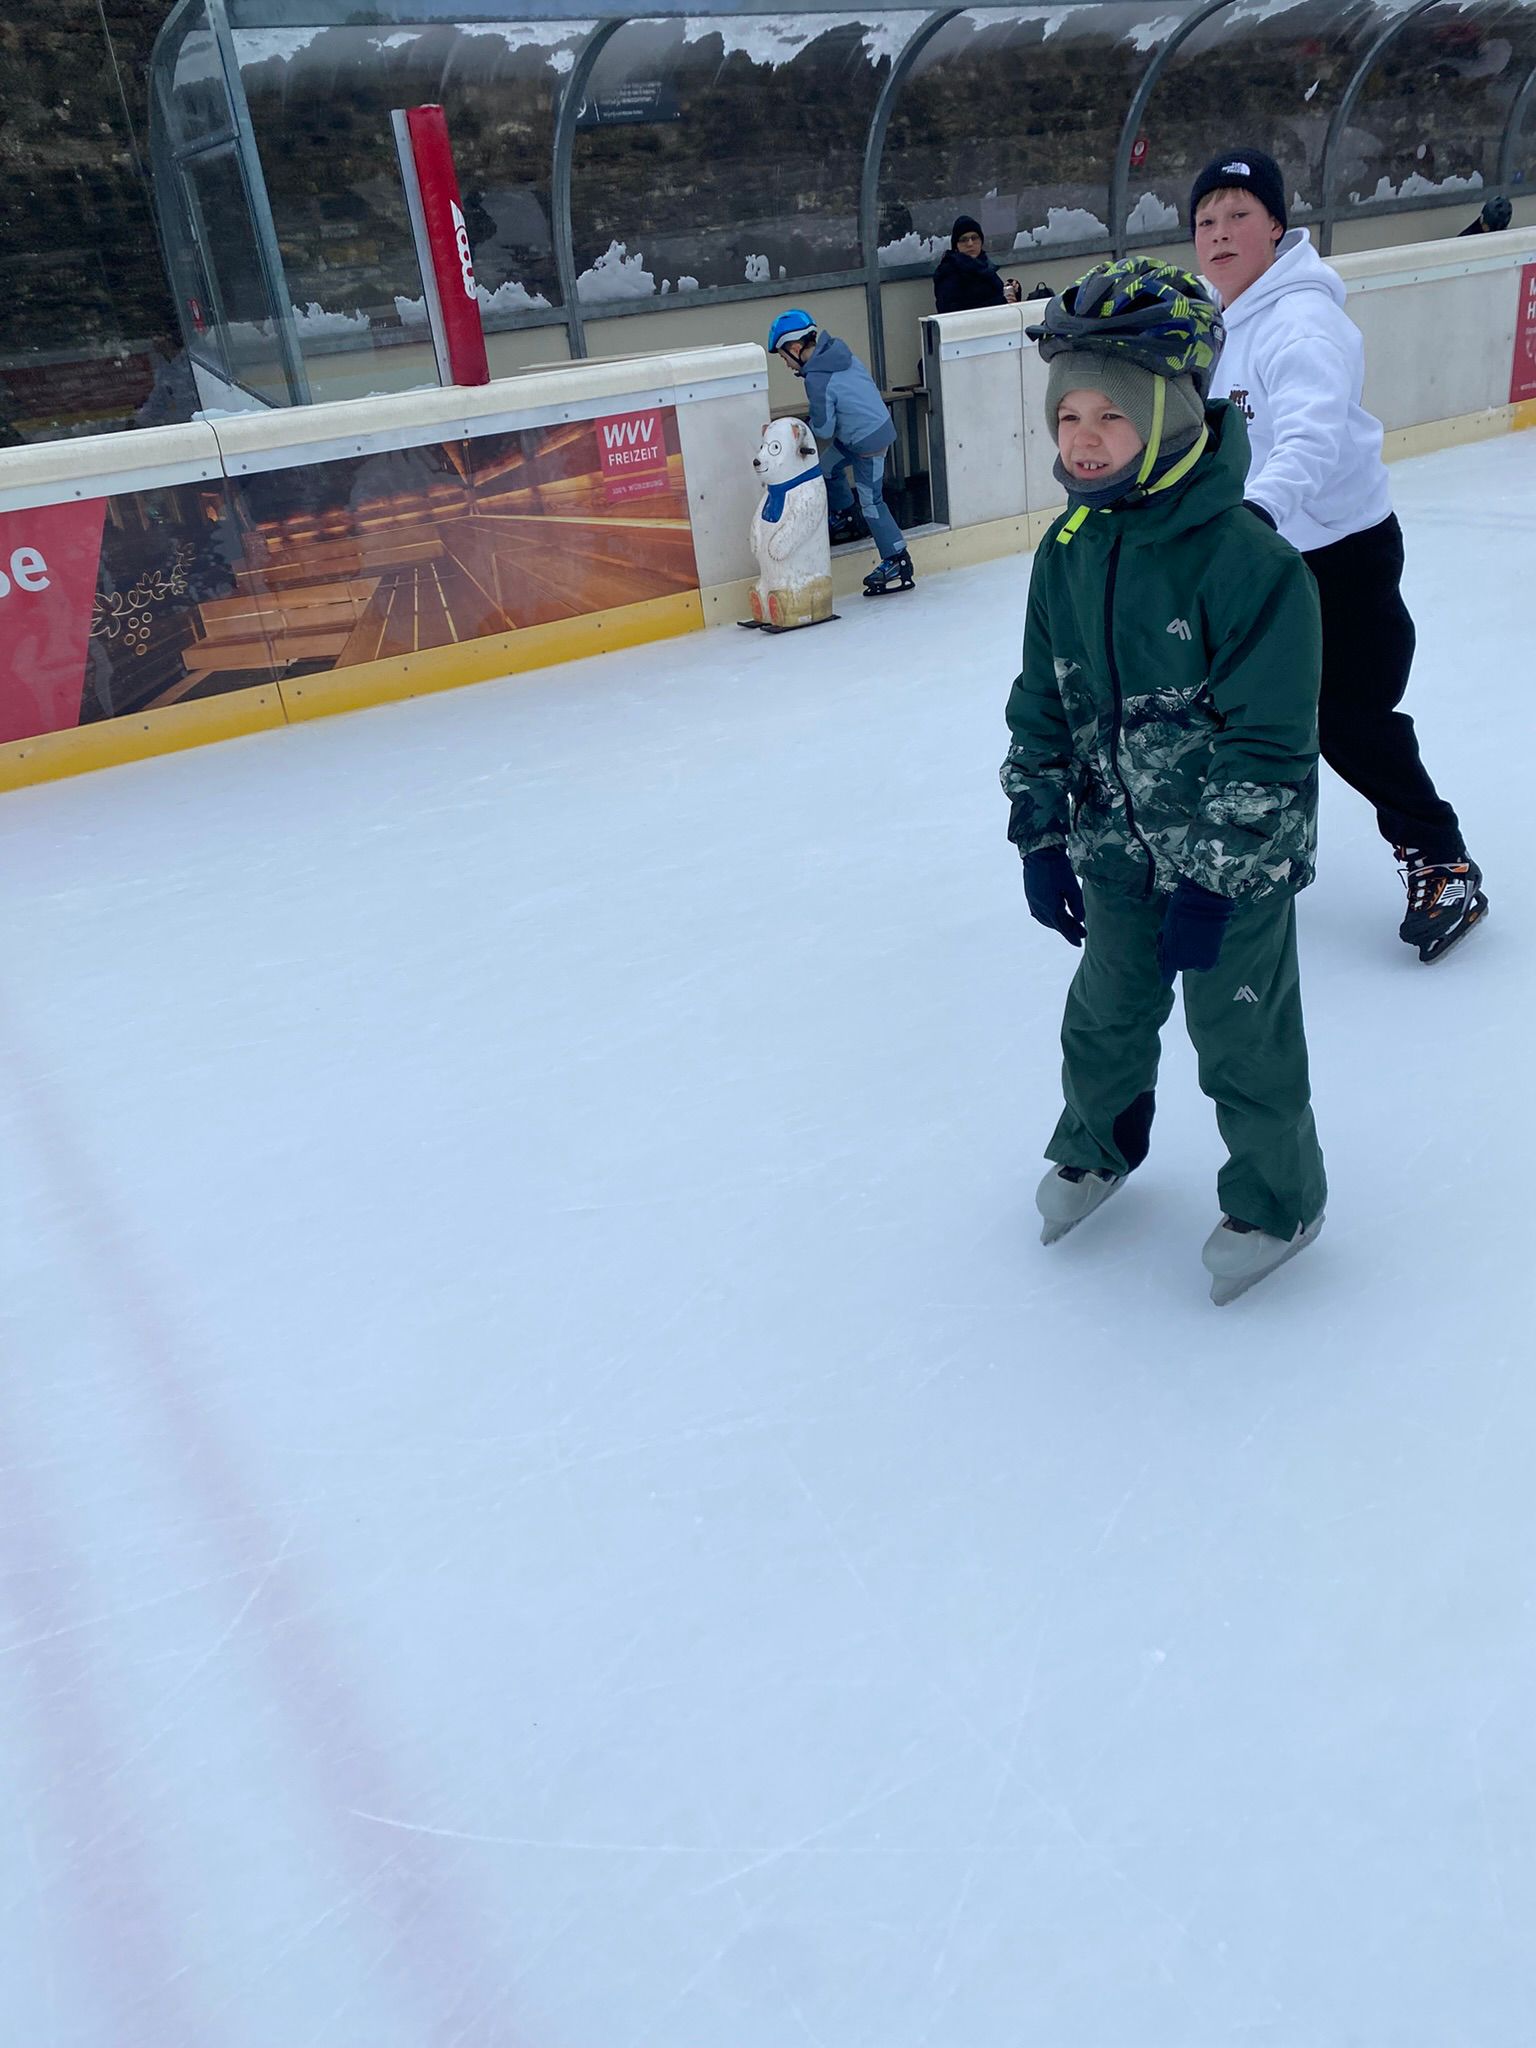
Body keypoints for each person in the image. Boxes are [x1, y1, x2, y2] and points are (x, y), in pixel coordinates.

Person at [1003, 258, 1327, 1305]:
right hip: (1113, 851)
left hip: (1229, 868)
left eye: (1112, 413)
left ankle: (1280, 1197)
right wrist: (1040, 828)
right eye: (1068, 416)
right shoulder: (1068, 547)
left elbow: (1270, 744)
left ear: (1177, 411)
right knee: (1104, 1008)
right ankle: (1101, 1141)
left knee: (1240, 1030)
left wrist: (1221, 876)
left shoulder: (1249, 565)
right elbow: (1040, 698)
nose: (1084, 438)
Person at [1189, 148, 1487, 963]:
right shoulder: (1210, 323)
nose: (1218, 233)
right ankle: (1264, 847)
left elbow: (1313, 433)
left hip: (1339, 553)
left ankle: (1441, 857)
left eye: (1238, 215)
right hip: (1258, 556)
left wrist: (1257, 510)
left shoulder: (1304, 322)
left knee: (1351, 721)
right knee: (1234, 709)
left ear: (1277, 227)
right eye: (1205, 220)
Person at [767, 309, 914, 596]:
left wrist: (799, 429)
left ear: (796, 348)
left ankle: (897, 559)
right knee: (826, 469)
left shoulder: (816, 379)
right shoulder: (838, 352)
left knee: (872, 501)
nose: (785, 364)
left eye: (784, 357)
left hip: (868, 442)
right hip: (864, 429)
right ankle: (847, 517)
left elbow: (822, 429)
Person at [932, 216, 1024, 314]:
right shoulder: (948, 271)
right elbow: (950, 310)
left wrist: (1012, 290)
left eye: (974, 238)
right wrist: (1000, 302)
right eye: (964, 240)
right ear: (956, 246)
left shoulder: (985, 266)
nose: (970, 244)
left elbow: (996, 295)